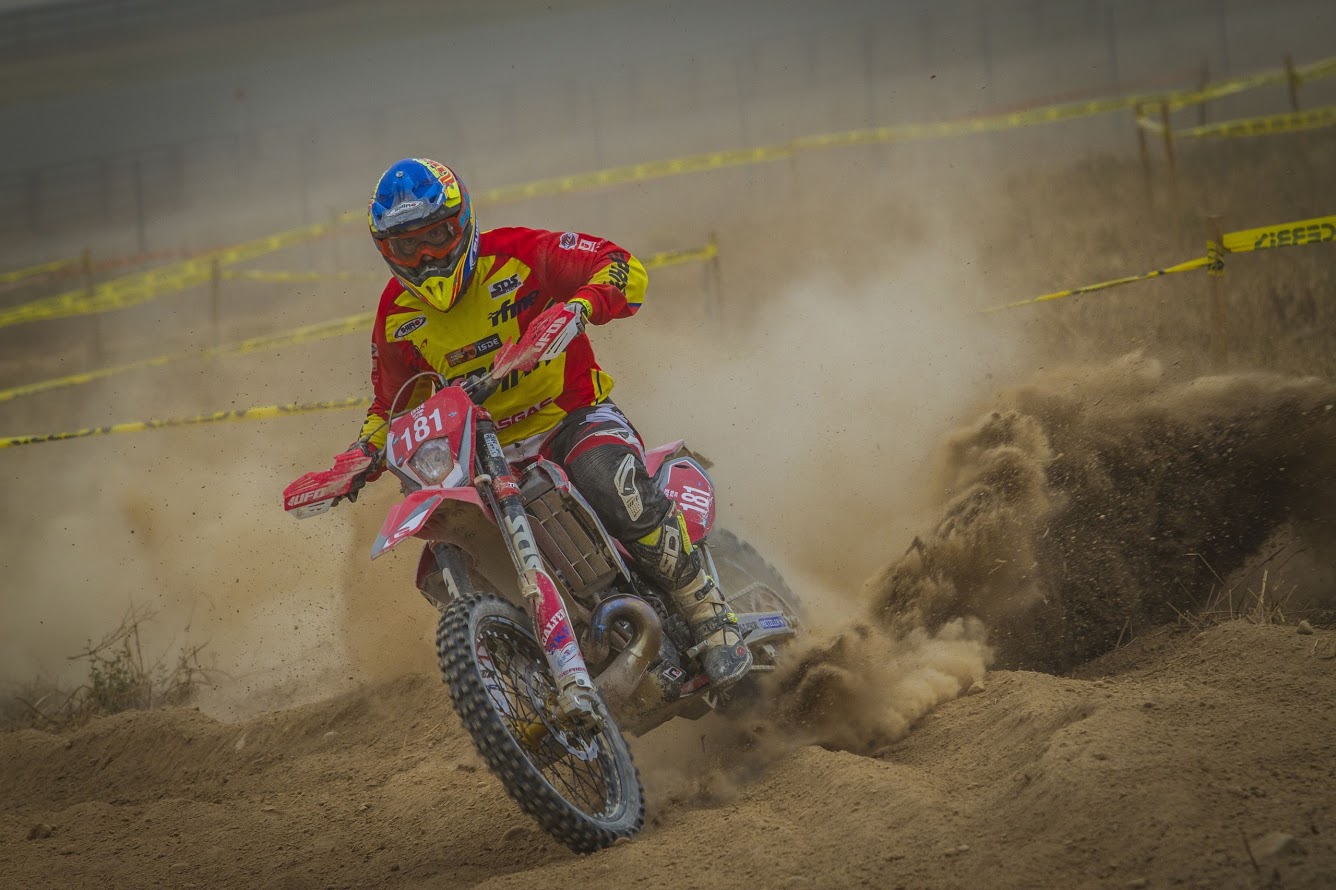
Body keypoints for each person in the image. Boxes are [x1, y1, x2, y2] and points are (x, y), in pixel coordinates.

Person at [328, 157, 751, 689]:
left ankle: (709, 614)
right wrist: (360, 455)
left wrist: (577, 307)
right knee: (446, 547)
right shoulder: (395, 315)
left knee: (605, 478)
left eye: (437, 235)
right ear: (386, 251)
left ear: (462, 223)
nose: (428, 256)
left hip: (570, 419)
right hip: (480, 456)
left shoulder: (519, 254)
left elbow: (621, 266)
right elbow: (389, 406)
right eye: (408, 246)